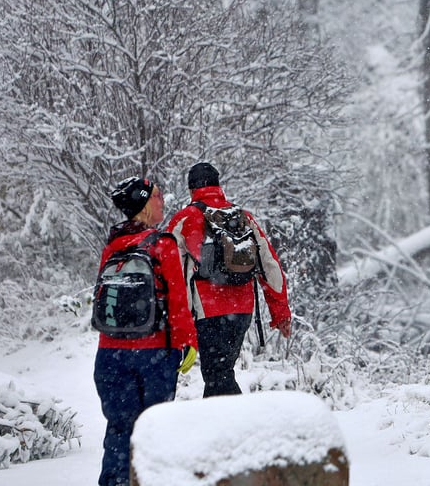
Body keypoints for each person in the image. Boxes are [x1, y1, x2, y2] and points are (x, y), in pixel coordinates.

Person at [93, 176, 198, 486]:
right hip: (154, 354)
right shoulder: (163, 244)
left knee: (119, 428)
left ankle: (115, 482)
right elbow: (178, 300)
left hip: (110, 355)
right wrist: (188, 342)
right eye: (156, 196)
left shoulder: (112, 246)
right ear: (143, 205)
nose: (162, 201)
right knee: (155, 429)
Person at [167, 162, 292, 397]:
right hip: (242, 310)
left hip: (208, 311)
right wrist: (280, 311)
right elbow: (270, 264)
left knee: (218, 376)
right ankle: (226, 418)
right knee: (220, 374)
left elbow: (168, 270)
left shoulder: (186, 219)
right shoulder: (243, 217)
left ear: (191, 189)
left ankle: (245, 419)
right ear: (218, 185)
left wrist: (175, 318)